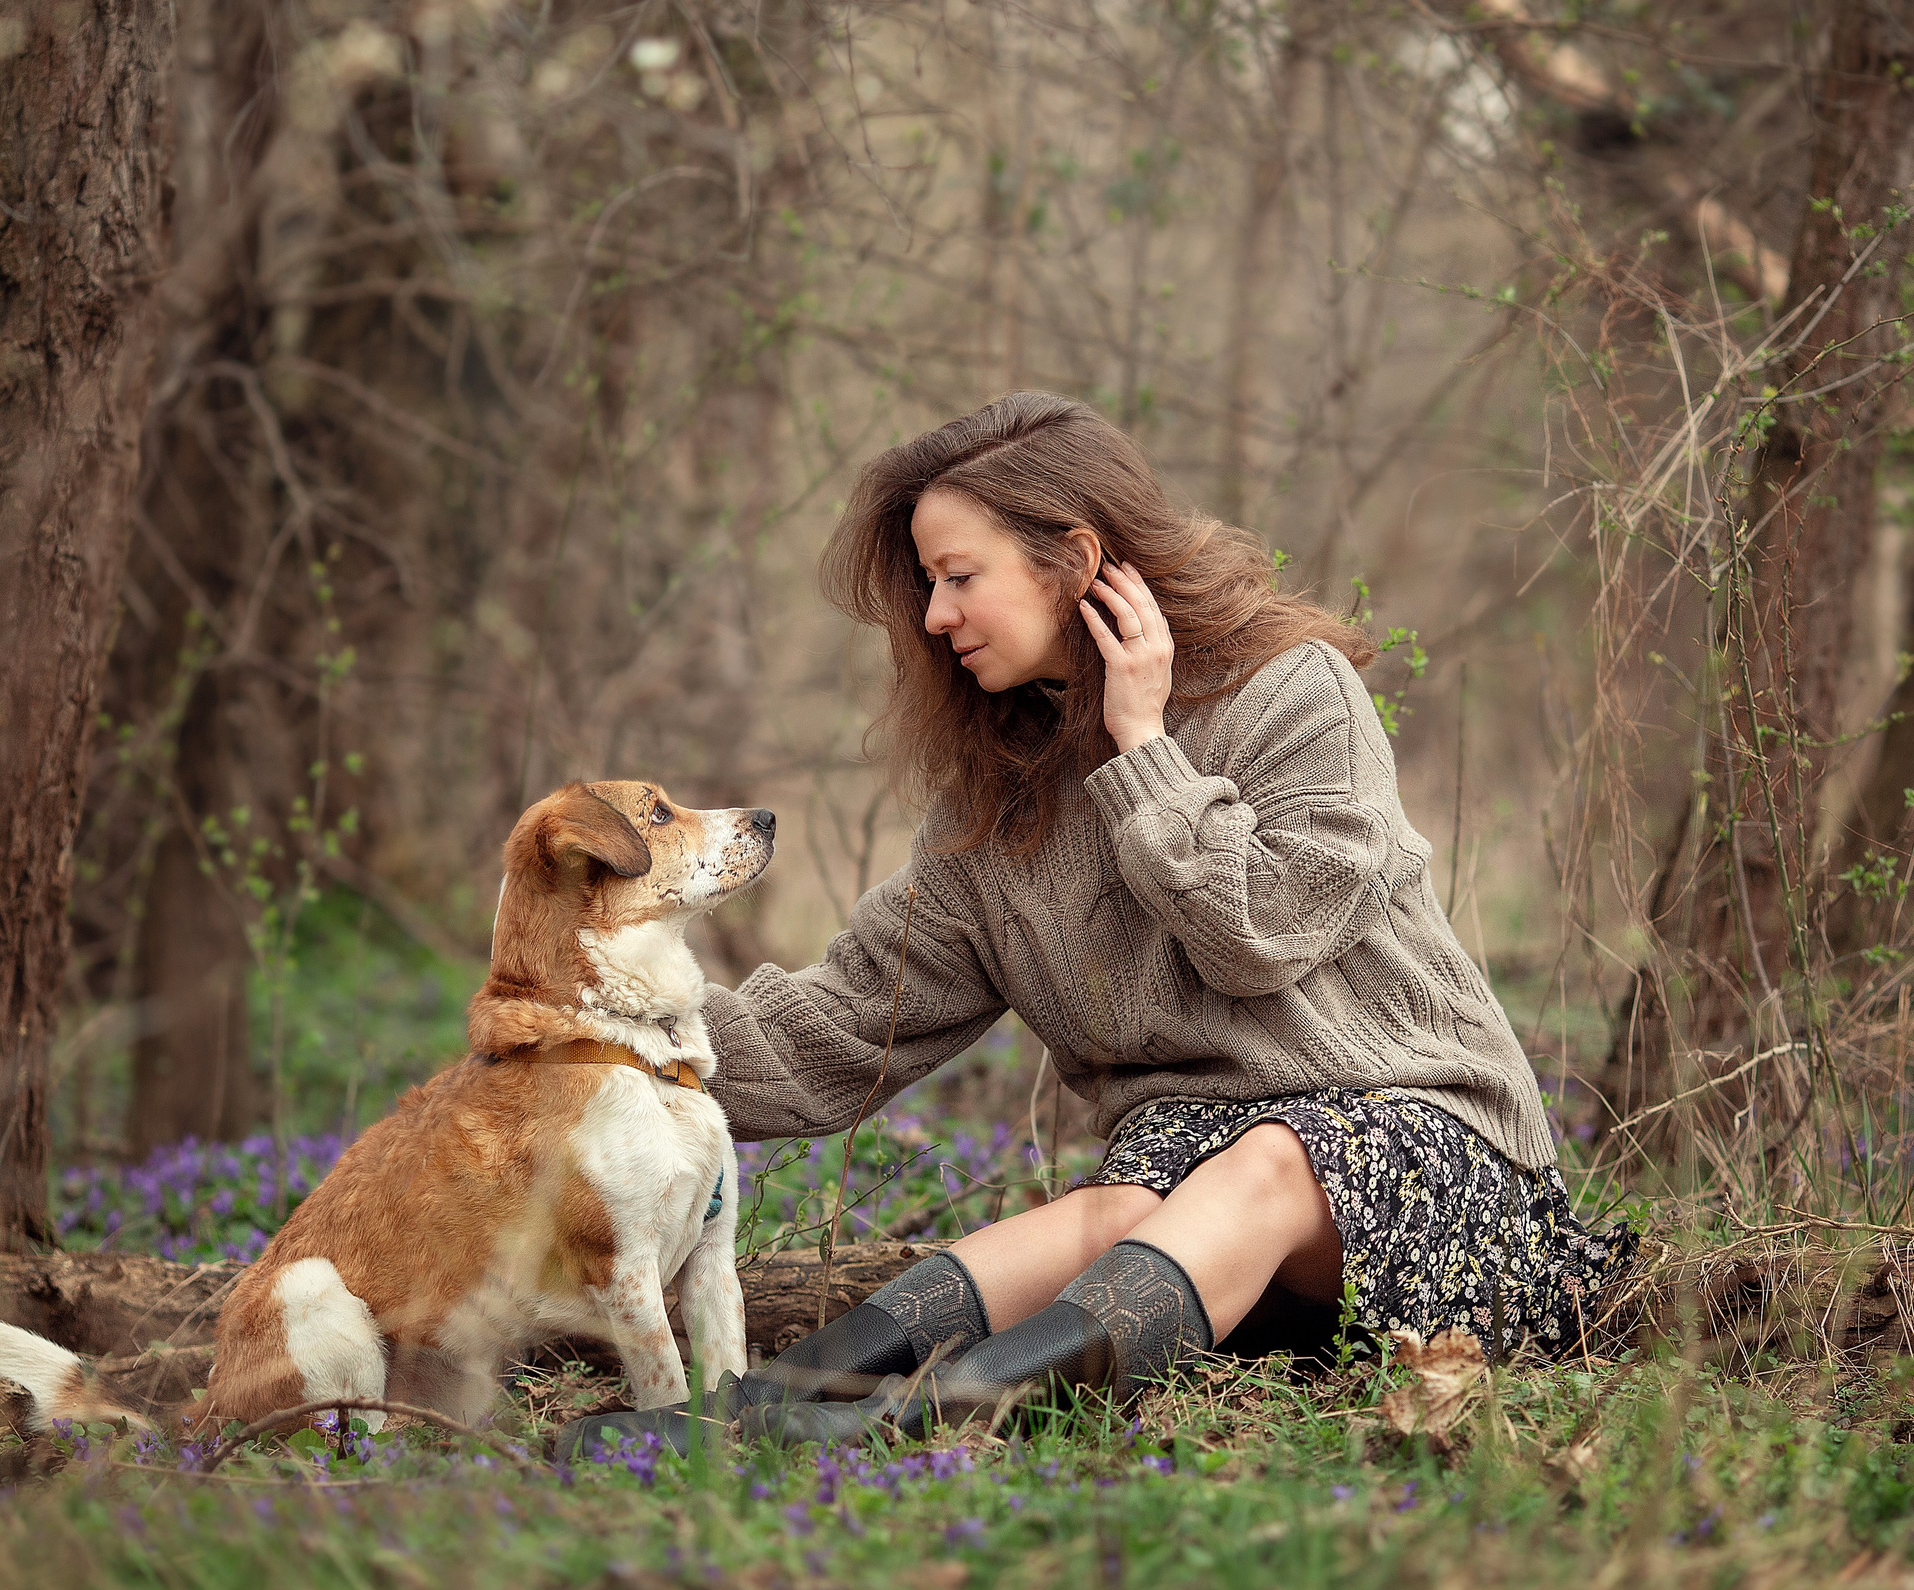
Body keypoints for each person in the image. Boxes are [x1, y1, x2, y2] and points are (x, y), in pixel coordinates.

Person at [561, 393, 1633, 1456]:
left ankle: (884, 1432)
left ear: (1074, 560)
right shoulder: (999, 801)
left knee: (1268, 1160)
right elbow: (840, 1026)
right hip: (1199, 1224)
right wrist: (595, 1039)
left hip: (1434, 1171)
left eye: (959, 578)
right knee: (1106, 1217)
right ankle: (748, 1414)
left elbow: (1257, 939)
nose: (936, 617)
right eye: (930, 585)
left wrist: (1142, 749)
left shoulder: (1292, 696)